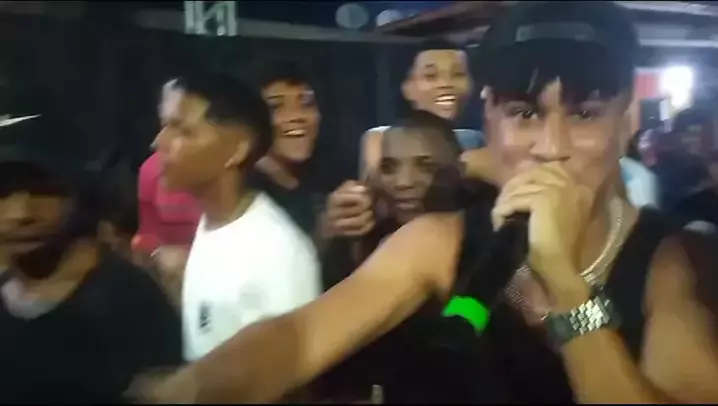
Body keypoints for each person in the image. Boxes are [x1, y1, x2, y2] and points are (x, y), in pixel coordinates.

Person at [138, 2, 718, 404]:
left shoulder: (674, 260)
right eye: (524, 114)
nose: (551, 146)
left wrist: (565, 285)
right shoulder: (445, 241)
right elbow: (298, 338)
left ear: (628, 120)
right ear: (489, 116)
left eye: (585, 114)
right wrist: (191, 388)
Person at [0, 111, 182, 403]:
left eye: (44, 189)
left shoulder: (126, 303)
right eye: (2, 191)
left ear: (80, 191)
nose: (20, 213)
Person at [318, 110, 500, 403]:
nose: (403, 181)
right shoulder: (365, 242)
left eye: (425, 166)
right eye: (389, 167)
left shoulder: (486, 241)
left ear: (458, 170)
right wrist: (332, 237)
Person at [152, 71, 321, 363]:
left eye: (182, 130)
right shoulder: (216, 222)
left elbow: (286, 377)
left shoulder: (275, 254)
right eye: (164, 126)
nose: (158, 142)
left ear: (237, 149)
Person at [360, 38, 481, 182]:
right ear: (406, 87)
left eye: (458, 74)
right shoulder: (381, 138)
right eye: (430, 76)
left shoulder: (475, 139)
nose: (446, 84)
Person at [132, 81, 203, 301]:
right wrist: (157, 253)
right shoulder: (151, 170)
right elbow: (147, 233)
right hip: (172, 277)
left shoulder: (232, 169)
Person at [249, 60, 327, 240]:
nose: (296, 116)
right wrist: (327, 230)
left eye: (306, 104)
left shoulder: (332, 179)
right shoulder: (243, 197)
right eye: (275, 107)